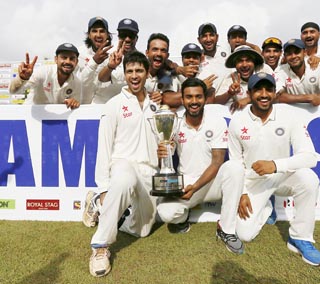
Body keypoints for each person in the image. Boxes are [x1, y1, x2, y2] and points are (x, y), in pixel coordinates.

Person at [228, 72, 320, 266]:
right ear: (249, 92)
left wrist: (275, 165)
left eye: (269, 89)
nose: (264, 94)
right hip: (253, 181)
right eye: (258, 89)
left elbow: (309, 157)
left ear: (274, 92)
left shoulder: (289, 116)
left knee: (309, 179)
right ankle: (266, 206)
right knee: (244, 234)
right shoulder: (237, 121)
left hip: (282, 175)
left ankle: (301, 238)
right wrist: (242, 192)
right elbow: (235, 163)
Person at [88, 51, 160, 277]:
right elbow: (104, 147)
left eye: (139, 70)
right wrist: (102, 188)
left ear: (147, 73)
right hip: (123, 165)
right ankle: (100, 247)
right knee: (123, 178)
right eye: (130, 71)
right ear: (124, 73)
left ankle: (100, 209)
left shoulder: (156, 104)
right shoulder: (114, 104)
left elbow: (164, 139)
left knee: (142, 231)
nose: (134, 76)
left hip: (149, 171)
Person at [156, 77, 245, 254]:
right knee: (166, 212)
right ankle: (183, 217)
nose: (194, 101)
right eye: (189, 97)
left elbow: (217, 161)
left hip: (211, 182)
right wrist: (162, 154)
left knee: (234, 168)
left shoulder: (216, 121)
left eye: (198, 96)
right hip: (186, 182)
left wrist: (196, 187)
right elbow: (166, 160)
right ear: (182, 99)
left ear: (205, 98)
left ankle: (226, 229)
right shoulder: (174, 123)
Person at [9, 43, 82, 109]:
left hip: (55, 120)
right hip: (31, 118)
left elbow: (74, 107)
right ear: (56, 59)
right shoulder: (43, 72)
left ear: (76, 62)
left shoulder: (77, 83)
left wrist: (73, 103)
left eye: (72, 58)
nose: (68, 62)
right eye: (64, 57)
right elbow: (13, 91)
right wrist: (22, 78)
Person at [277, 39, 320, 106]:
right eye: (289, 54)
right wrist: (307, 98)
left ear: (304, 52)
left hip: (317, 113)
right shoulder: (280, 70)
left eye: (297, 52)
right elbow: (278, 97)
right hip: (293, 113)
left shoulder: (319, 66)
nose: (293, 56)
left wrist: (318, 98)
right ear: (285, 56)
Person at [215, 45, 269, 112]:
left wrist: (249, 99)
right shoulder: (231, 78)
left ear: (254, 62)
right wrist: (229, 93)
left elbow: (278, 94)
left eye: (248, 60)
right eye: (240, 61)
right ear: (235, 64)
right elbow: (216, 103)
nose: (244, 65)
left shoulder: (263, 69)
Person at [96, 18, 141, 96]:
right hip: (104, 102)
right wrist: (110, 66)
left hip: (126, 105)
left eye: (131, 35)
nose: (127, 39)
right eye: (123, 35)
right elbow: (100, 80)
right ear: (119, 36)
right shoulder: (105, 52)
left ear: (136, 38)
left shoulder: (141, 59)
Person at [78, 16, 115, 104]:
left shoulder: (115, 54)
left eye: (102, 31)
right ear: (89, 35)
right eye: (94, 31)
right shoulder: (79, 53)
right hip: (82, 107)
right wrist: (94, 61)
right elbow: (77, 82)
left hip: (105, 106)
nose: (98, 35)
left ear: (107, 35)